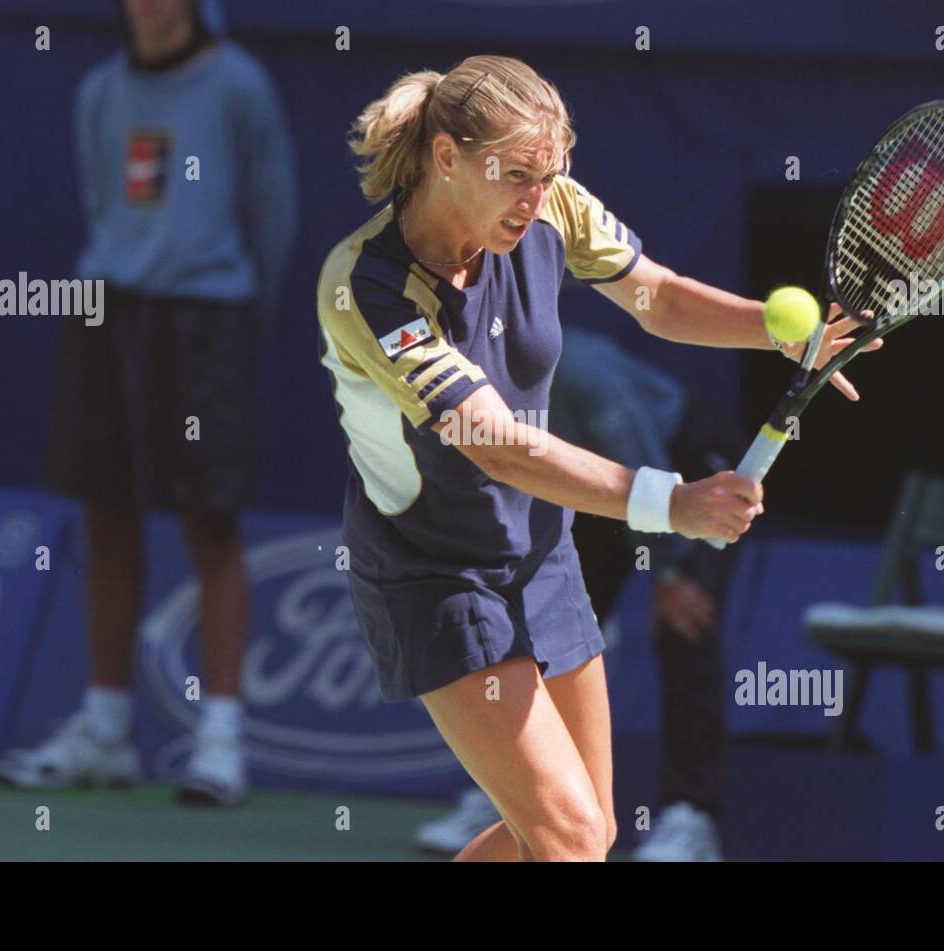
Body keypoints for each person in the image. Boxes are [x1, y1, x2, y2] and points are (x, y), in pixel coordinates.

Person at [317, 55, 877, 861]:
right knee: (570, 835)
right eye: (515, 175)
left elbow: (660, 296)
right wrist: (673, 503)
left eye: (550, 174)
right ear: (447, 157)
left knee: (586, 830)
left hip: (540, 550)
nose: (535, 200)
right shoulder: (366, 288)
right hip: (432, 568)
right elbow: (495, 444)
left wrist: (782, 328)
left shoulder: (551, 208)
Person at [0, 0, 298, 807]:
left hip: (206, 321)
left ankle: (222, 741)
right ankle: (104, 729)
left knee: (211, 522)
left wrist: (221, 305)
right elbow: (105, 204)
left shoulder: (239, 86)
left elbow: (272, 216)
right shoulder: (98, 91)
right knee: (105, 513)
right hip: (104, 312)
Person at [415, 323, 745, 861]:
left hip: (676, 462)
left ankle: (692, 816)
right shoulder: (464, 390)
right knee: (542, 629)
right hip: (590, 486)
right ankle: (516, 802)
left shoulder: (584, 378)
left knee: (686, 624)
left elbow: (643, 466)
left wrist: (668, 574)